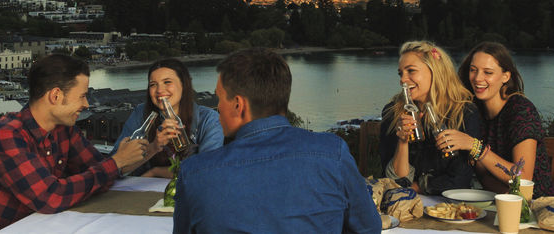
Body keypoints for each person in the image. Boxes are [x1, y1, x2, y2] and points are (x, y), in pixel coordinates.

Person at [172, 48, 381, 234]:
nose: (217, 108)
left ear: (238, 105)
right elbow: (369, 227)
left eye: (219, 99)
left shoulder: (195, 172)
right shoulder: (332, 153)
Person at [0, 54, 149, 233]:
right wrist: (115, 162)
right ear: (55, 96)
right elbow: (50, 197)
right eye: (82, 95)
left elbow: (102, 174)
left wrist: (116, 164)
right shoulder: (5, 135)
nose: (87, 104)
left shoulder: (63, 129)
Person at [444, 41, 554, 198]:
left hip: (538, 206)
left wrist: (474, 147)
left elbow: (523, 178)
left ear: (505, 76)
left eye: (488, 72)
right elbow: (483, 175)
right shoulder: (473, 112)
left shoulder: (521, 111)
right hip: (501, 202)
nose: (478, 78)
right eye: (473, 70)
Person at [378, 41, 482, 194]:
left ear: (435, 71)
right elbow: (395, 181)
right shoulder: (393, 113)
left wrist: (419, 186)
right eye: (401, 73)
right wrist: (403, 142)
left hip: (449, 205)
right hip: (404, 205)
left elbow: (461, 178)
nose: (402, 80)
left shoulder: (464, 112)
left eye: (411, 71)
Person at [111, 58, 223, 177]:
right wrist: (153, 147)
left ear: (184, 85)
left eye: (167, 82)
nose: (159, 90)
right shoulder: (141, 114)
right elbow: (116, 167)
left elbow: (207, 170)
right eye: (153, 85)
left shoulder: (209, 119)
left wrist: (156, 172)